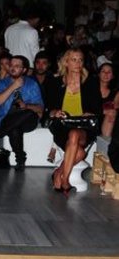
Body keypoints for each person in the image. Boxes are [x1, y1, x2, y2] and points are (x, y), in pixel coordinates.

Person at [45, 49, 102, 194]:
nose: (78, 63)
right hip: (62, 125)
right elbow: (48, 108)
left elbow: (97, 109)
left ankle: (62, 177)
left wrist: (90, 113)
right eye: (74, 60)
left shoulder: (90, 81)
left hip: (84, 126)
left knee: (75, 134)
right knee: (80, 153)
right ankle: (62, 176)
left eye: (80, 60)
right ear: (66, 62)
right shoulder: (55, 81)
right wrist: (55, 112)